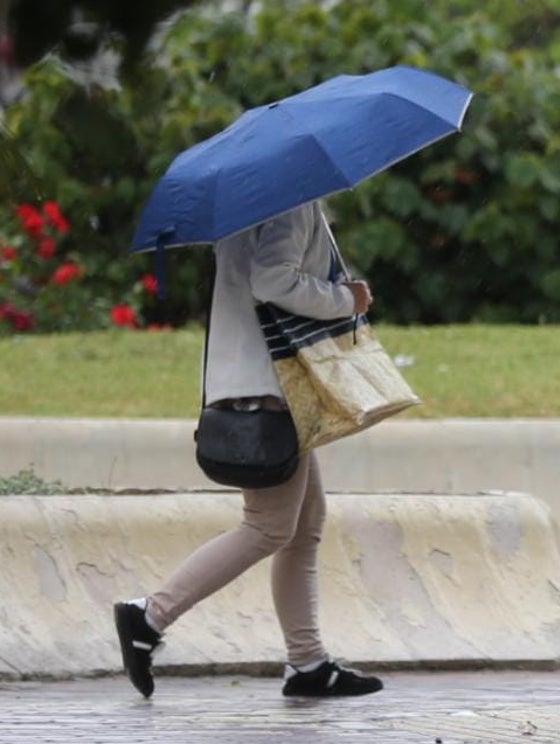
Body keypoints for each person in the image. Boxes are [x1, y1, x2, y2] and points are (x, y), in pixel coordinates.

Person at [113, 202, 382, 699]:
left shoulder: (250, 203)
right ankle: (149, 615)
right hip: (268, 390)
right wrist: (346, 298)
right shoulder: (292, 202)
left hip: (255, 382)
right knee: (269, 526)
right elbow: (272, 281)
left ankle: (307, 664)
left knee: (304, 524)